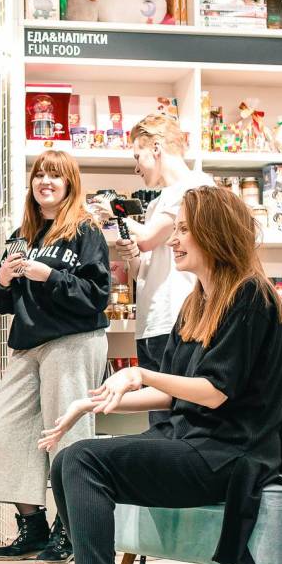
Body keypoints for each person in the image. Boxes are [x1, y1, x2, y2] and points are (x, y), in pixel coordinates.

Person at [22, 185, 282, 564]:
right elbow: (172, 394)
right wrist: (89, 404)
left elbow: (213, 392)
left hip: (229, 454)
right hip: (192, 440)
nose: (174, 239)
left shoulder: (251, 297)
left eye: (184, 230)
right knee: (68, 461)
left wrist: (141, 374)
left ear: (214, 233)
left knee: (82, 461)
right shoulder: (198, 302)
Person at [0, 149, 110, 564]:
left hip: (73, 341)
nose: (45, 182)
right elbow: (3, 304)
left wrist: (49, 275)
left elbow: (96, 295)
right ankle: (32, 525)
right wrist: (2, 280)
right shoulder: (23, 235)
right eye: (39, 175)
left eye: (55, 175)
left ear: (70, 184)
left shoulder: (85, 231)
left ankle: (69, 528)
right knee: (4, 432)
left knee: (68, 437)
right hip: (28, 344)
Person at [113, 114, 214, 426]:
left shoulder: (196, 188)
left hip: (181, 319)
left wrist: (112, 213)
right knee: (160, 422)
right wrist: (132, 254)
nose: (136, 168)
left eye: (137, 156)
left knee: (181, 419)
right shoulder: (159, 202)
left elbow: (147, 237)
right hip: (153, 323)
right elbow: (142, 269)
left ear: (155, 148)